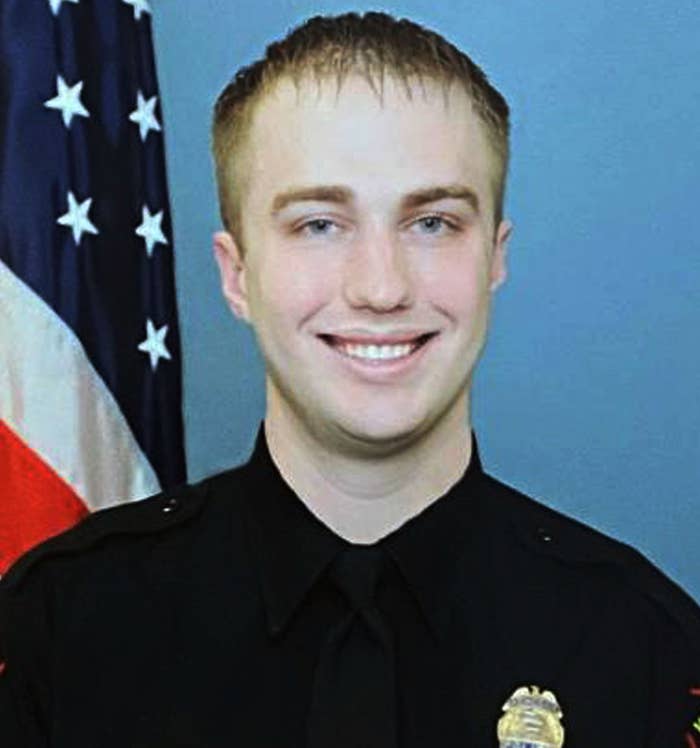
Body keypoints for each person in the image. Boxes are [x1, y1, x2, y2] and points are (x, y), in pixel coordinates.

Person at [1, 11, 699, 747]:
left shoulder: (648, 650)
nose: (380, 287)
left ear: (495, 257)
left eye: (431, 223)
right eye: (319, 224)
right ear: (236, 275)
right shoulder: (58, 628)